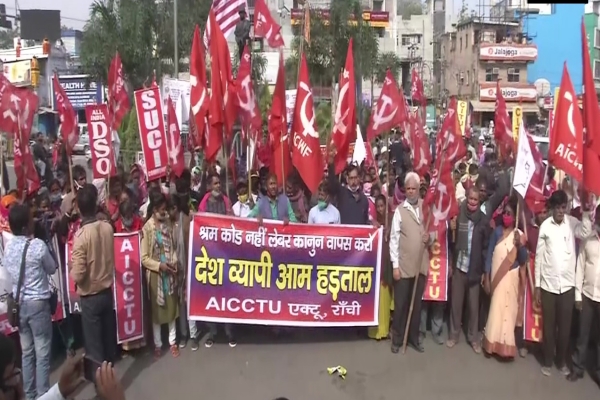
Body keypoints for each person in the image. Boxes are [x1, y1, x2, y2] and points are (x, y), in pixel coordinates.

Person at [534, 189, 592, 376]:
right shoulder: (545, 227)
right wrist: (537, 285)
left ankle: (561, 362)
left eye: (563, 207)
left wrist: (584, 211)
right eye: (557, 207)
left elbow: (585, 231)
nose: (560, 211)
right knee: (549, 327)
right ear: (552, 208)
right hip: (548, 286)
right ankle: (548, 361)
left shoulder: (572, 223)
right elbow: (539, 259)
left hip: (567, 287)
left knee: (565, 328)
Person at [4, 204, 57, 400]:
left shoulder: (8, 248)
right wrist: (44, 239)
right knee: (42, 353)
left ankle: (29, 394)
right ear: (26, 225)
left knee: (27, 353)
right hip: (38, 305)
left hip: (20, 306)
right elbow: (52, 268)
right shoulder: (37, 246)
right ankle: (44, 394)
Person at [70, 184, 117, 367]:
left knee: (95, 350)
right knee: (107, 345)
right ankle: (110, 381)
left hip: (90, 296)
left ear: (80, 209)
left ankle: (101, 388)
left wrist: (72, 268)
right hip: (106, 292)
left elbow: (79, 275)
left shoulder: (81, 236)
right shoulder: (107, 228)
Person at [389, 172, 431, 353]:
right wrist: (395, 266)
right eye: (408, 189)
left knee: (416, 306)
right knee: (401, 305)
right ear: (405, 190)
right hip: (404, 267)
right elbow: (394, 240)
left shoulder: (426, 208)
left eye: (414, 188)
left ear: (419, 189)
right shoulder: (400, 211)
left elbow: (434, 234)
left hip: (420, 265)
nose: (411, 192)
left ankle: (413, 338)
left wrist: (429, 238)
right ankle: (397, 339)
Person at [482, 197, 528, 358]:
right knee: (496, 309)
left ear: (515, 217)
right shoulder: (497, 232)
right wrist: (486, 275)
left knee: (508, 311)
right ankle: (491, 344)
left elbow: (522, 259)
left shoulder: (519, 235)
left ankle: (505, 348)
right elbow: (489, 254)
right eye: (505, 213)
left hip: (511, 277)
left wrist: (519, 245)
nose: (506, 216)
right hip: (497, 276)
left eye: (509, 213)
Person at [141, 190, 180, 359]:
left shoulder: (168, 224)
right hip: (156, 273)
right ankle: (158, 344)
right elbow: (144, 258)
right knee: (157, 312)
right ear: (154, 208)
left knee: (171, 308)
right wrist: (159, 266)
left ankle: (172, 342)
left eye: (165, 208)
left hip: (169, 271)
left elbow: (173, 246)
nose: (164, 212)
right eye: (161, 209)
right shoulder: (147, 228)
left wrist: (174, 262)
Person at [568, 204, 600, 381]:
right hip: (587, 294)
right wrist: (578, 295)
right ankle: (578, 367)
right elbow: (580, 266)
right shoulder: (588, 239)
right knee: (583, 334)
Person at [368, 195, 393, 340]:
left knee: (385, 299)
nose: (380, 209)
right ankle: (374, 332)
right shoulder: (373, 224)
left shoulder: (392, 222)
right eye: (377, 206)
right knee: (375, 301)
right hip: (376, 266)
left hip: (388, 265)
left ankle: (384, 330)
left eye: (382, 206)